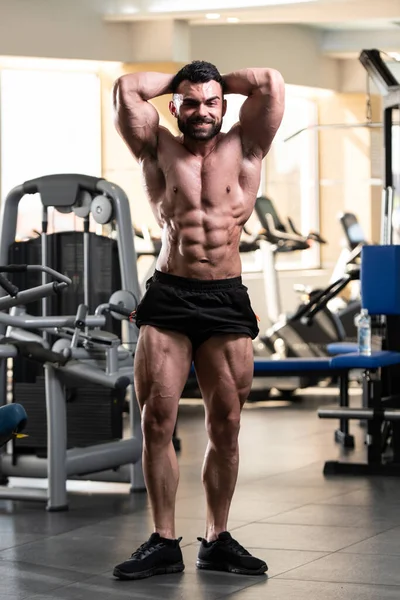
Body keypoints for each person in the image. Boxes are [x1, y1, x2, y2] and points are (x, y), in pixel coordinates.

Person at [112, 60, 285, 581]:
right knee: (156, 421)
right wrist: (184, 79)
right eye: (190, 102)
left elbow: (270, 83)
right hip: (170, 293)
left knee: (227, 424)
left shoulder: (247, 146)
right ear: (174, 107)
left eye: (211, 102)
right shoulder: (155, 146)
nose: (202, 111)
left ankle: (217, 537)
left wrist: (210, 80)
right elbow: (126, 87)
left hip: (226, 297)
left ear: (225, 105)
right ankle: (164, 541)